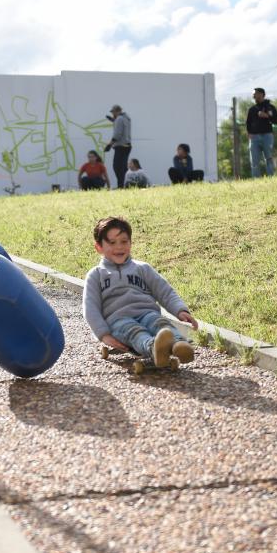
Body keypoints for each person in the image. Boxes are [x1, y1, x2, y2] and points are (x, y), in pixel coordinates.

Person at [82, 216, 198, 367]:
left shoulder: (142, 268)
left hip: (147, 313)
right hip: (118, 320)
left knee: (160, 323)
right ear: (99, 247)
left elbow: (164, 291)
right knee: (134, 332)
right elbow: (90, 307)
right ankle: (153, 348)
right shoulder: (96, 275)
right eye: (112, 243)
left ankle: (179, 345)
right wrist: (103, 334)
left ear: (131, 243)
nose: (119, 247)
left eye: (124, 241)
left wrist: (180, 310)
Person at [245, 87, 277, 177]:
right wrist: (249, 133)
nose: (253, 96)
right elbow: (248, 123)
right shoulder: (252, 109)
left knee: (268, 158)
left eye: (255, 94)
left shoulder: (270, 107)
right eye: (253, 94)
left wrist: (267, 116)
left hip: (267, 136)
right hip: (254, 138)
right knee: (254, 160)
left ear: (262, 94)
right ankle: (256, 179)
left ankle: (270, 177)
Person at [104, 105, 132, 188]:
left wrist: (109, 144)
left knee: (117, 167)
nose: (112, 114)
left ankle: (121, 185)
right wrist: (113, 121)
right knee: (123, 167)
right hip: (127, 146)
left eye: (113, 112)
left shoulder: (119, 119)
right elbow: (122, 126)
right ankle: (126, 184)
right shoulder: (126, 118)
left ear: (118, 111)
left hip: (121, 146)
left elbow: (117, 134)